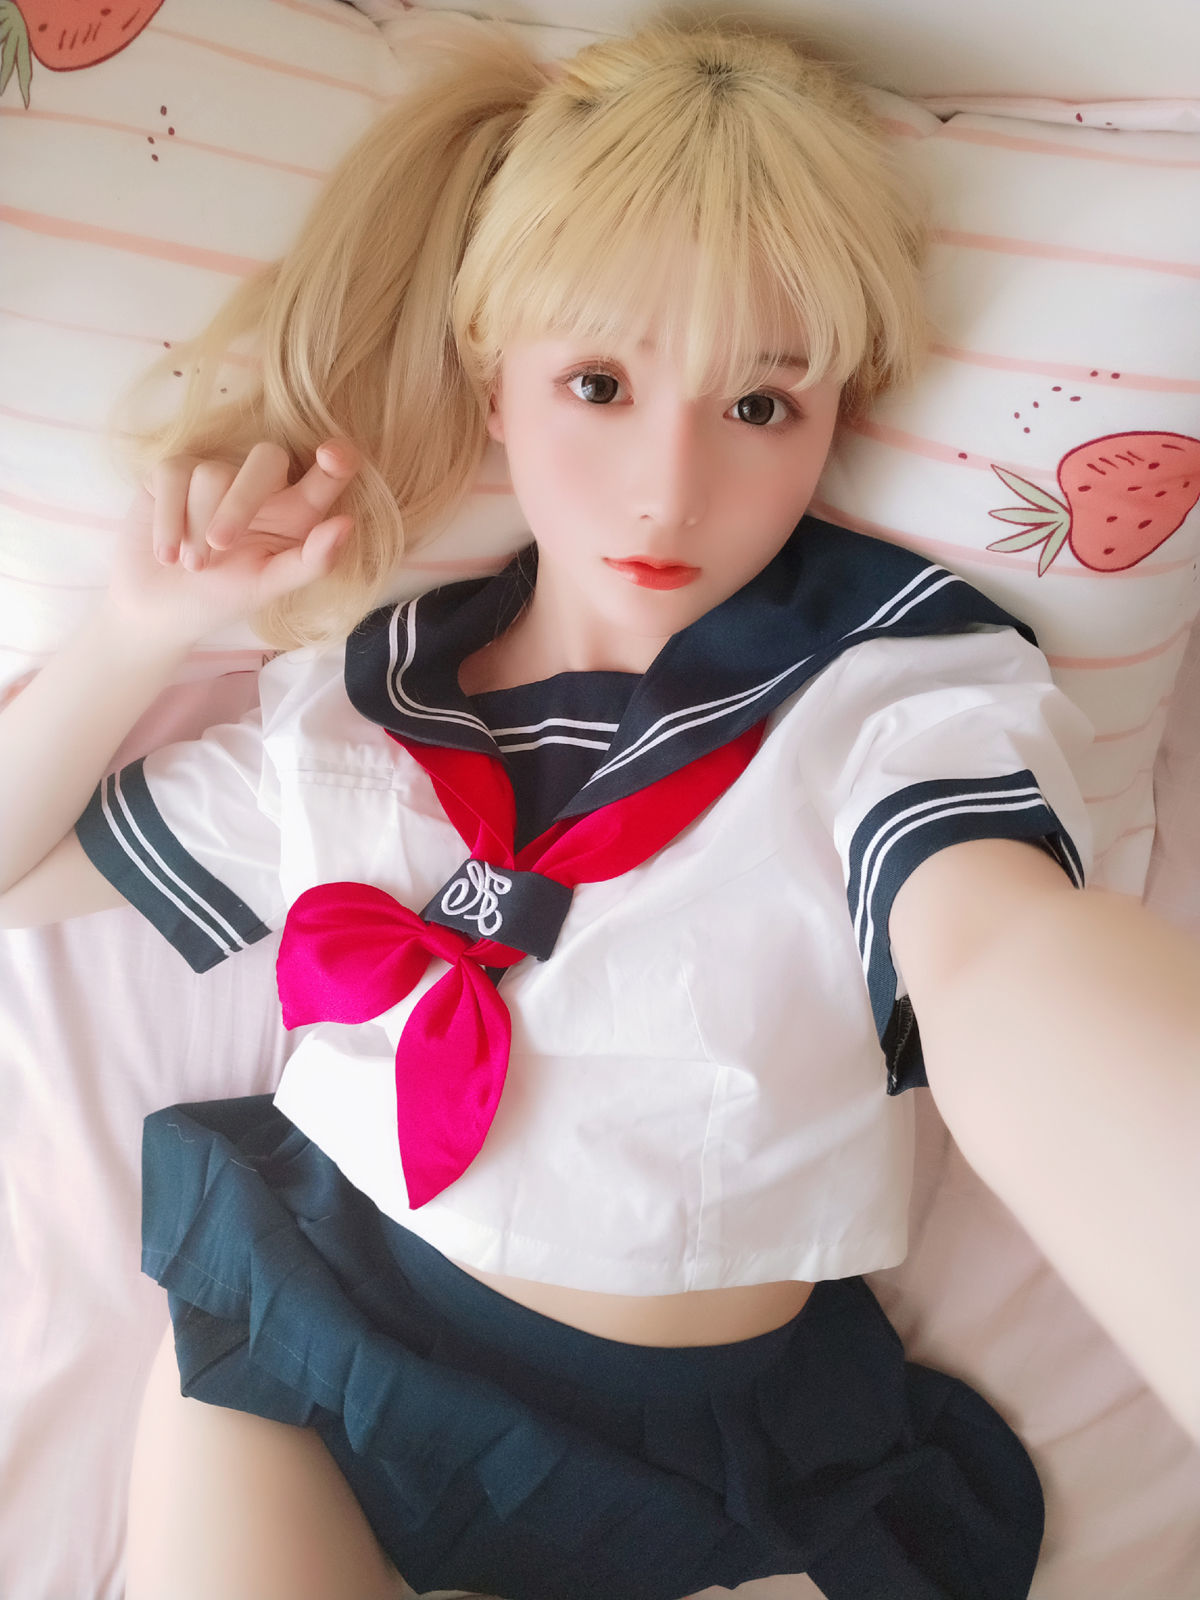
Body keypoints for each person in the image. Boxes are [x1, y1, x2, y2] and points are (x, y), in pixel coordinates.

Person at [0, 16, 1196, 1600]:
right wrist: (136, 634)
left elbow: (993, 951)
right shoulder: (351, 713)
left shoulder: (891, 689)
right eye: (598, 384)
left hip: (714, 1440)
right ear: (493, 384)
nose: (667, 489)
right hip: (304, 1362)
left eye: (760, 406)